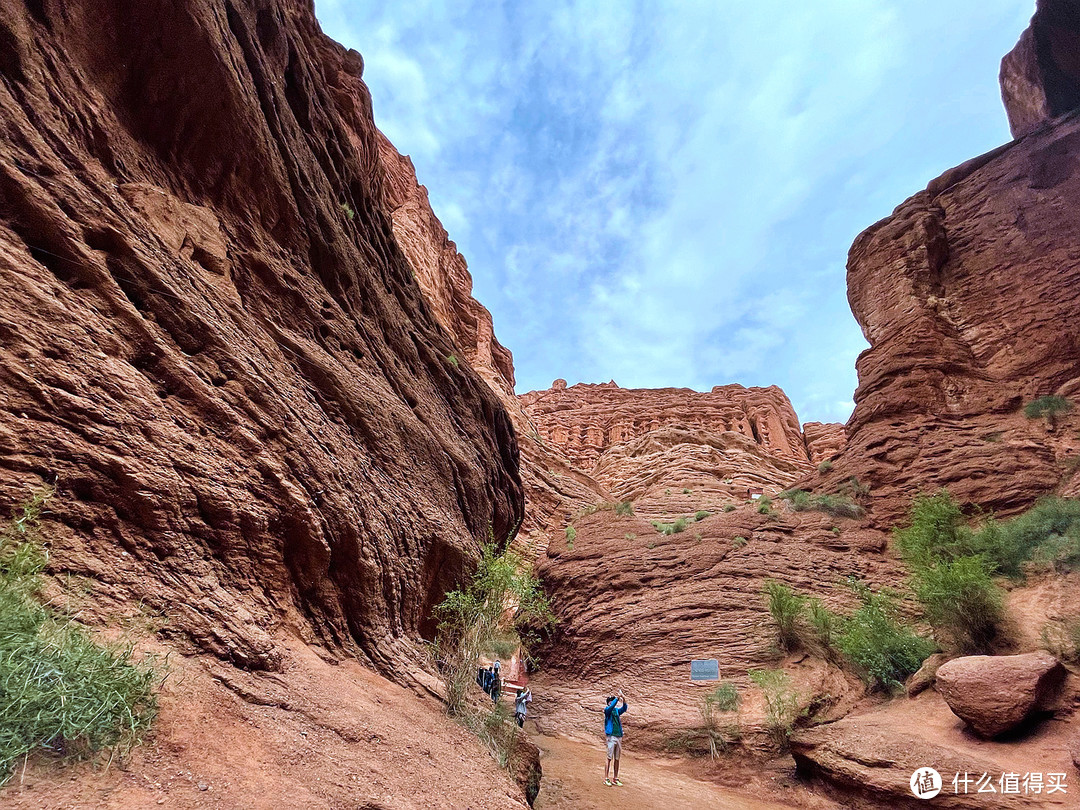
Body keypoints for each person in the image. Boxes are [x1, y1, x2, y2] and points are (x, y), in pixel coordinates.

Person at [603, 689, 627, 787]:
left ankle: (615, 778)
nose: (612, 702)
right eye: (610, 701)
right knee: (609, 757)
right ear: (608, 703)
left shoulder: (616, 711)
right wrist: (617, 698)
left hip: (618, 736)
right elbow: (611, 707)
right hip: (611, 736)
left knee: (617, 758)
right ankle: (606, 778)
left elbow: (624, 708)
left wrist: (623, 698)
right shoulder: (607, 710)